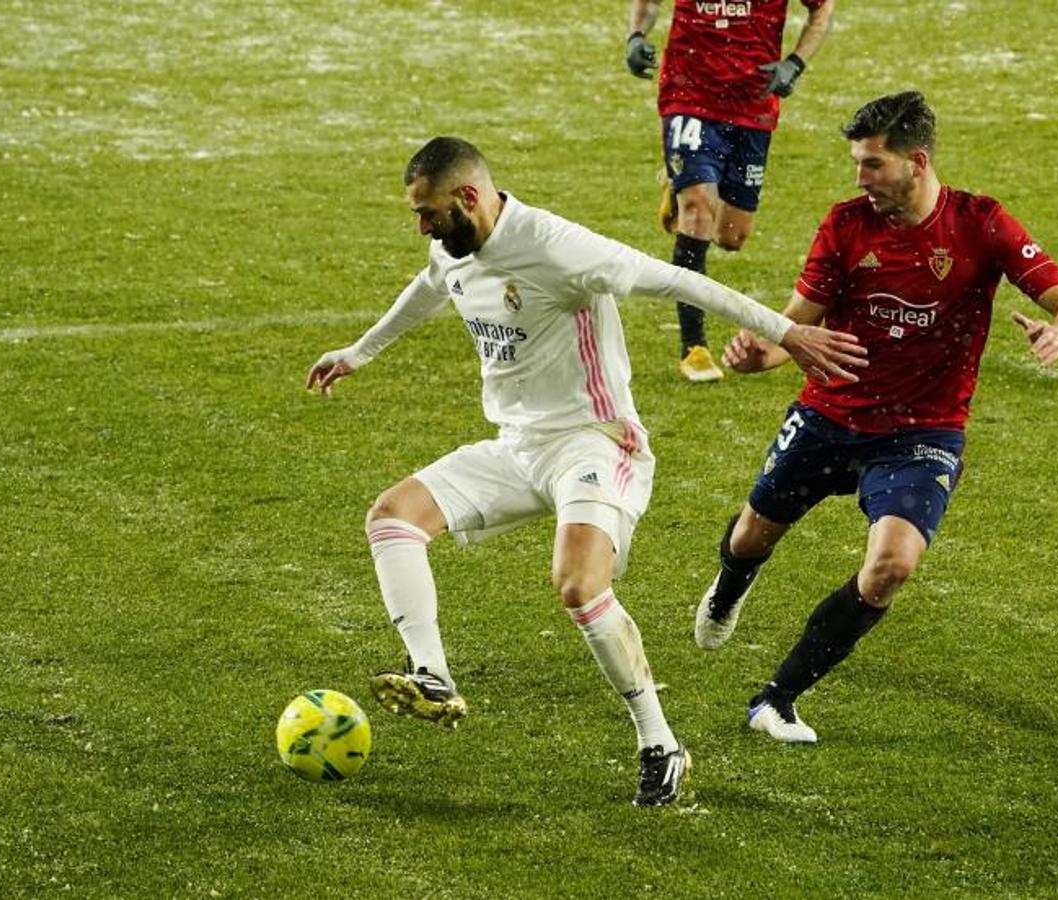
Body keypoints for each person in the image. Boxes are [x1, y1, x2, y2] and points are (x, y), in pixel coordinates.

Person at [306, 137, 864, 804]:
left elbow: (678, 280)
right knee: (392, 517)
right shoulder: (452, 247)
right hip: (517, 446)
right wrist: (359, 352)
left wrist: (788, 332)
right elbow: (430, 286)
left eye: (428, 213)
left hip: (593, 444)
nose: (423, 227)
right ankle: (432, 676)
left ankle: (660, 744)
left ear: (469, 197)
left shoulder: (556, 246)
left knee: (577, 585)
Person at [692, 91, 1058, 744]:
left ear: (917, 161)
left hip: (922, 432)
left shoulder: (981, 223)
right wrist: (759, 354)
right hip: (830, 413)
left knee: (891, 567)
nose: (860, 178)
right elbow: (796, 327)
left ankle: (776, 700)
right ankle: (730, 587)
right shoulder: (847, 226)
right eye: (857, 162)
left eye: (873, 164)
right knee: (749, 540)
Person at [624, 0, 835, 382]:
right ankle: (694, 347)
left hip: (752, 104)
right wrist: (636, 36)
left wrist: (795, 63)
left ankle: (682, 184)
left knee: (731, 237)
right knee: (698, 211)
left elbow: (822, 8)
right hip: (689, 94)